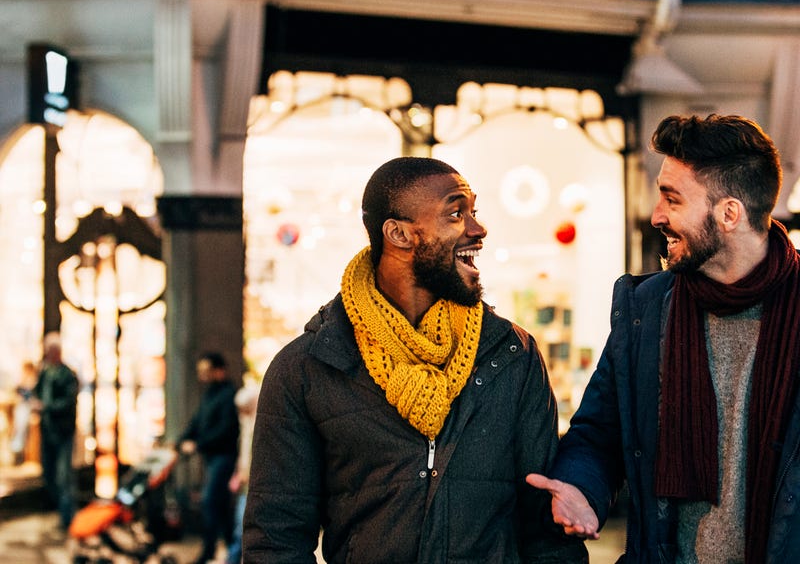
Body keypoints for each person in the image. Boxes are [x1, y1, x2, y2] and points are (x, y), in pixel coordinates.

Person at [243, 156, 587, 563]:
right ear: (399, 234)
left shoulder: (513, 355)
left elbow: (547, 532)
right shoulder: (308, 368)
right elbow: (275, 539)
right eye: (456, 213)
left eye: (474, 212)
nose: (478, 229)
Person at [527, 113, 800, 563]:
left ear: (729, 213)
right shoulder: (646, 311)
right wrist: (580, 488)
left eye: (672, 199)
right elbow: (599, 433)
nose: (656, 216)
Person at [179, 351, 240, 564]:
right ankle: (232, 548)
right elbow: (197, 422)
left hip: (224, 457)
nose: (202, 376)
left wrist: (197, 443)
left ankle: (210, 550)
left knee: (211, 501)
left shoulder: (229, 395)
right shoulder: (210, 394)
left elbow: (226, 429)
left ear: (218, 370)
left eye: (206, 371)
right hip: (212, 457)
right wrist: (181, 441)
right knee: (219, 504)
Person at [33, 331, 79, 531]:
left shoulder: (67, 375)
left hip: (63, 432)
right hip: (48, 431)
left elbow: (68, 403)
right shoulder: (45, 372)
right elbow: (37, 393)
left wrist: (47, 407)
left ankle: (68, 517)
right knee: (50, 474)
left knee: (64, 476)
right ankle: (60, 509)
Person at [226, 378, 259, 564]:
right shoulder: (247, 426)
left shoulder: (258, 426)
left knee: (242, 529)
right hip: (245, 485)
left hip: (252, 487)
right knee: (240, 528)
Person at [10, 360, 38, 464]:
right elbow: (18, 393)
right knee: (20, 423)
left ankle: (19, 450)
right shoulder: (22, 381)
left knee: (23, 421)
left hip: (30, 408)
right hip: (24, 408)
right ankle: (17, 450)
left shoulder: (34, 380)